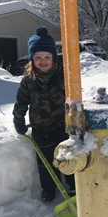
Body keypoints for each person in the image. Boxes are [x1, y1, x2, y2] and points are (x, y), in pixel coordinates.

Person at [13, 26, 75, 202]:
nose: (42, 61)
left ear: (54, 58)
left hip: (64, 125)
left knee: (68, 156)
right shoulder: (28, 80)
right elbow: (21, 101)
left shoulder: (65, 77)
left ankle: (73, 185)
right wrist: (18, 118)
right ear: (32, 58)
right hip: (40, 127)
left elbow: (75, 100)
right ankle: (48, 188)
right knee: (45, 161)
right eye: (38, 57)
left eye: (47, 57)